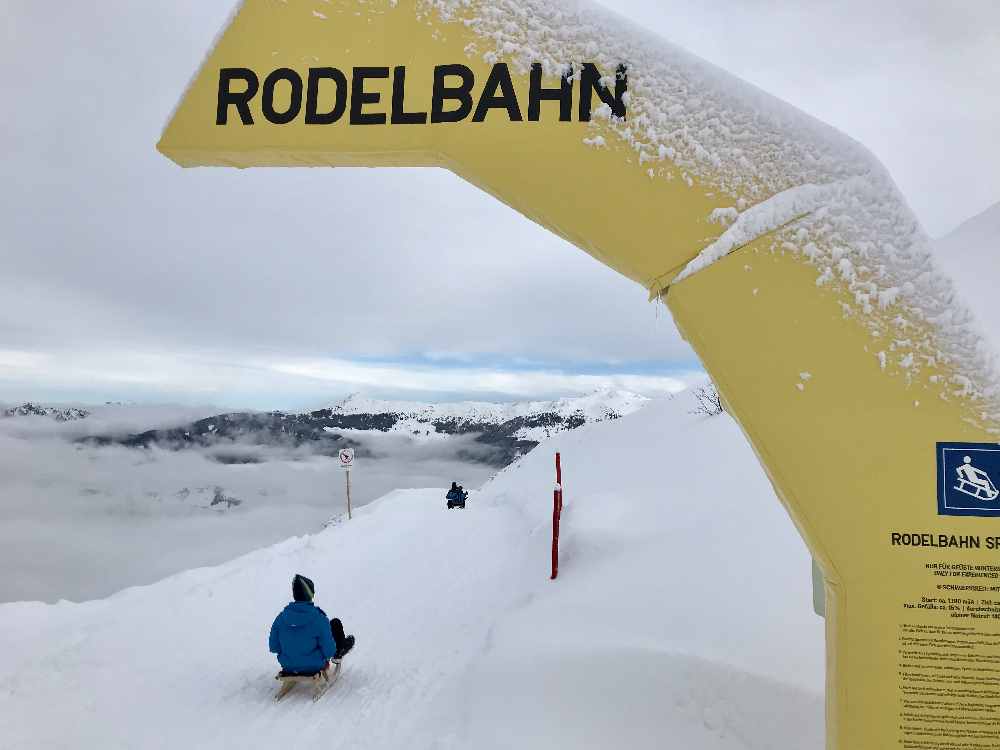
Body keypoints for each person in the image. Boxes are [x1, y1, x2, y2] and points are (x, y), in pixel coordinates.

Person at [269, 574, 355, 675]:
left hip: (287, 665)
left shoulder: (280, 618)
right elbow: (329, 651)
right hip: (314, 665)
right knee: (335, 624)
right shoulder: (319, 618)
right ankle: (341, 650)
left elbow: (274, 647)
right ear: (309, 594)